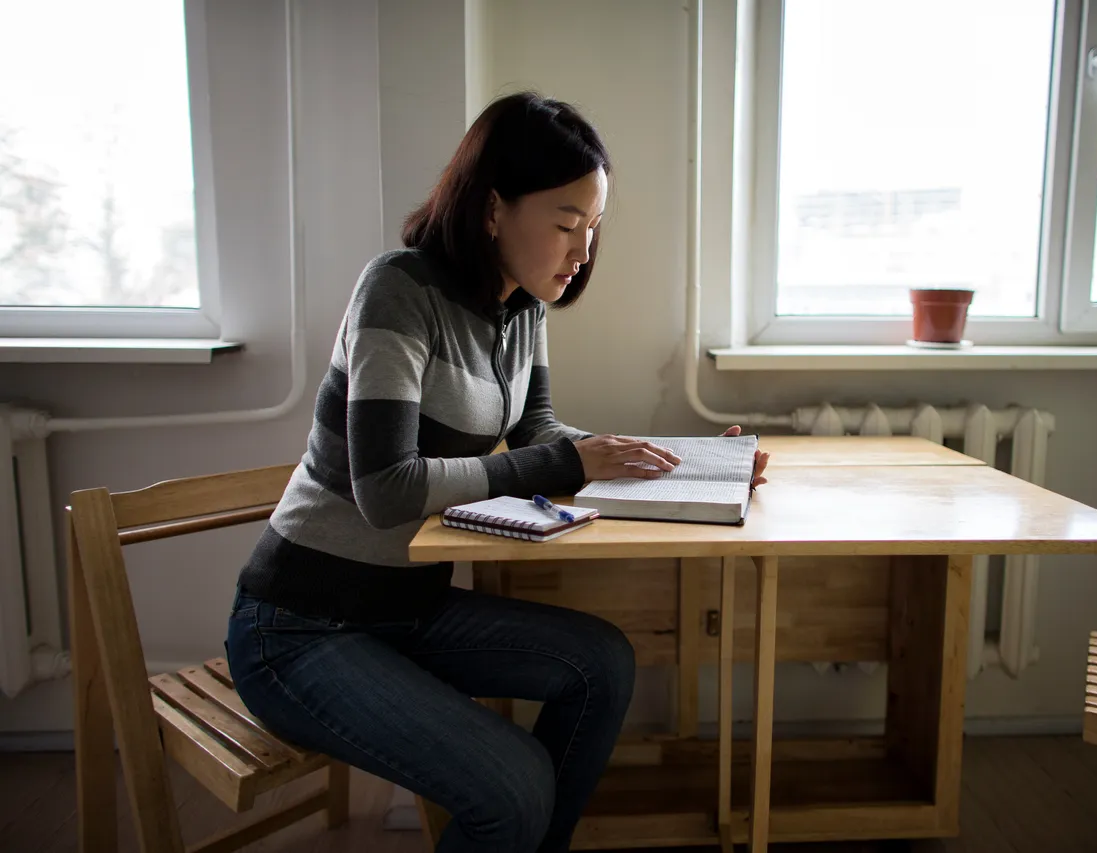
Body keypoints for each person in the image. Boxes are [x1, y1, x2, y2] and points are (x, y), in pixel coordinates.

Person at [224, 91, 769, 853]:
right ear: (492, 210)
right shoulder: (398, 291)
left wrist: (692, 461)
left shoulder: (521, 309)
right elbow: (387, 488)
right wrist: (567, 459)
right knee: (512, 787)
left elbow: (542, 434)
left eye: (594, 227)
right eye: (567, 224)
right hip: (301, 625)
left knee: (602, 663)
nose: (584, 252)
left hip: (405, 611)